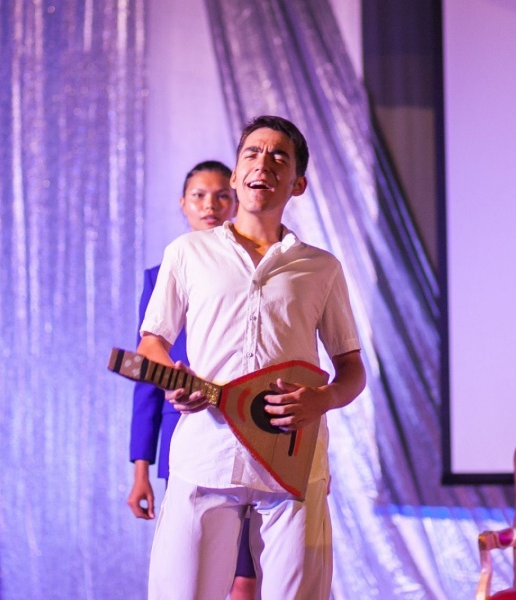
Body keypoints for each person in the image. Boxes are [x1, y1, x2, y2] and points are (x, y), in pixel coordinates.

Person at [138, 116, 367, 599]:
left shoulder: (321, 267)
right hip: (205, 454)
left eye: (279, 156)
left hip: (293, 462)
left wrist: (322, 399)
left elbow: (352, 369)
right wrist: (173, 378)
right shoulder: (187, 252)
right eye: (252, 153)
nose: (263, 163)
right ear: (237, 175)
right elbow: (150, 342)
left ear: (298, 183)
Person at [126, 161, 257, 598]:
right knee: (194, 573)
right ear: (182, 204)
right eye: (199, 196)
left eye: (221, 196)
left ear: (236, 202)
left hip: (252, 433)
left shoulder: (256, 272)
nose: (210, 205)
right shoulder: (161, 276)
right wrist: (140, 469)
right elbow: (147, 375)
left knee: (246, 577)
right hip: (186, 438)